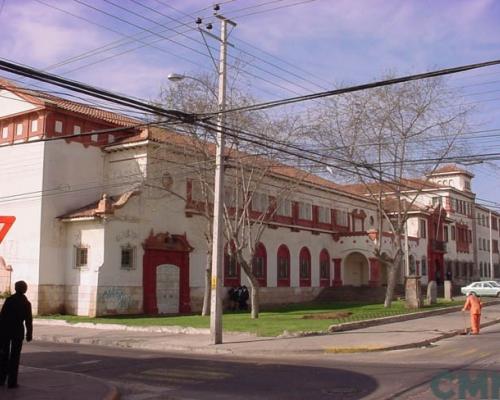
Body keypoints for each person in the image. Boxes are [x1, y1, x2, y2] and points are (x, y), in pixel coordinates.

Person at [0, 280, 33, 388]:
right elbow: (29, 320)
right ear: (24, 289)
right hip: (18, 331)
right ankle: (12, 382)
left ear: (15, 288)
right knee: (15, 356)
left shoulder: (9, 300)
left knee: (4, 355)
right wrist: (29, 334)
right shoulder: (26, 303)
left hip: (6, 330)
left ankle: (1, 379)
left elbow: (2, 316)